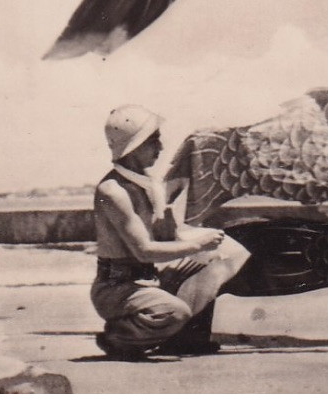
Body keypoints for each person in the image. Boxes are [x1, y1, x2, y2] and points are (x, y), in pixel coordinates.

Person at [91, 105, 250, 360]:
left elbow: (166, 239)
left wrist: (195, 238)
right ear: (135, 145)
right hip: (116, 287)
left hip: (148, 278)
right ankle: (118, 338)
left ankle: (184, 337)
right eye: (153, 141)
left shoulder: (147, 184)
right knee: (175, 312)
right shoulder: (113, 191)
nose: (161, 148)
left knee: (220, 258)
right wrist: (198, 245)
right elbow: (144, 251)